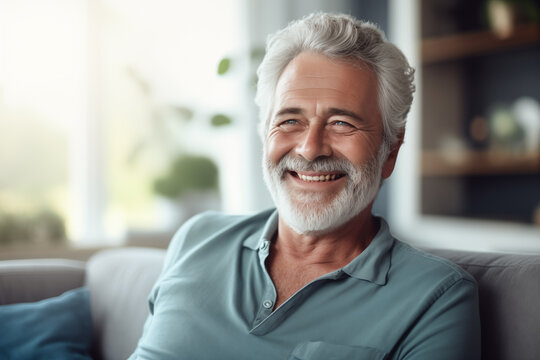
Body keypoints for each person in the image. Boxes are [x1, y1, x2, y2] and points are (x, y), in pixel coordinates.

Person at [129, 12, 480, 360]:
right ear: (264, 134)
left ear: (390, 151)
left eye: (342, 123)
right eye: (290, 120)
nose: (310, 149)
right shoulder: (196, 239)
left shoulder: (437, 298)